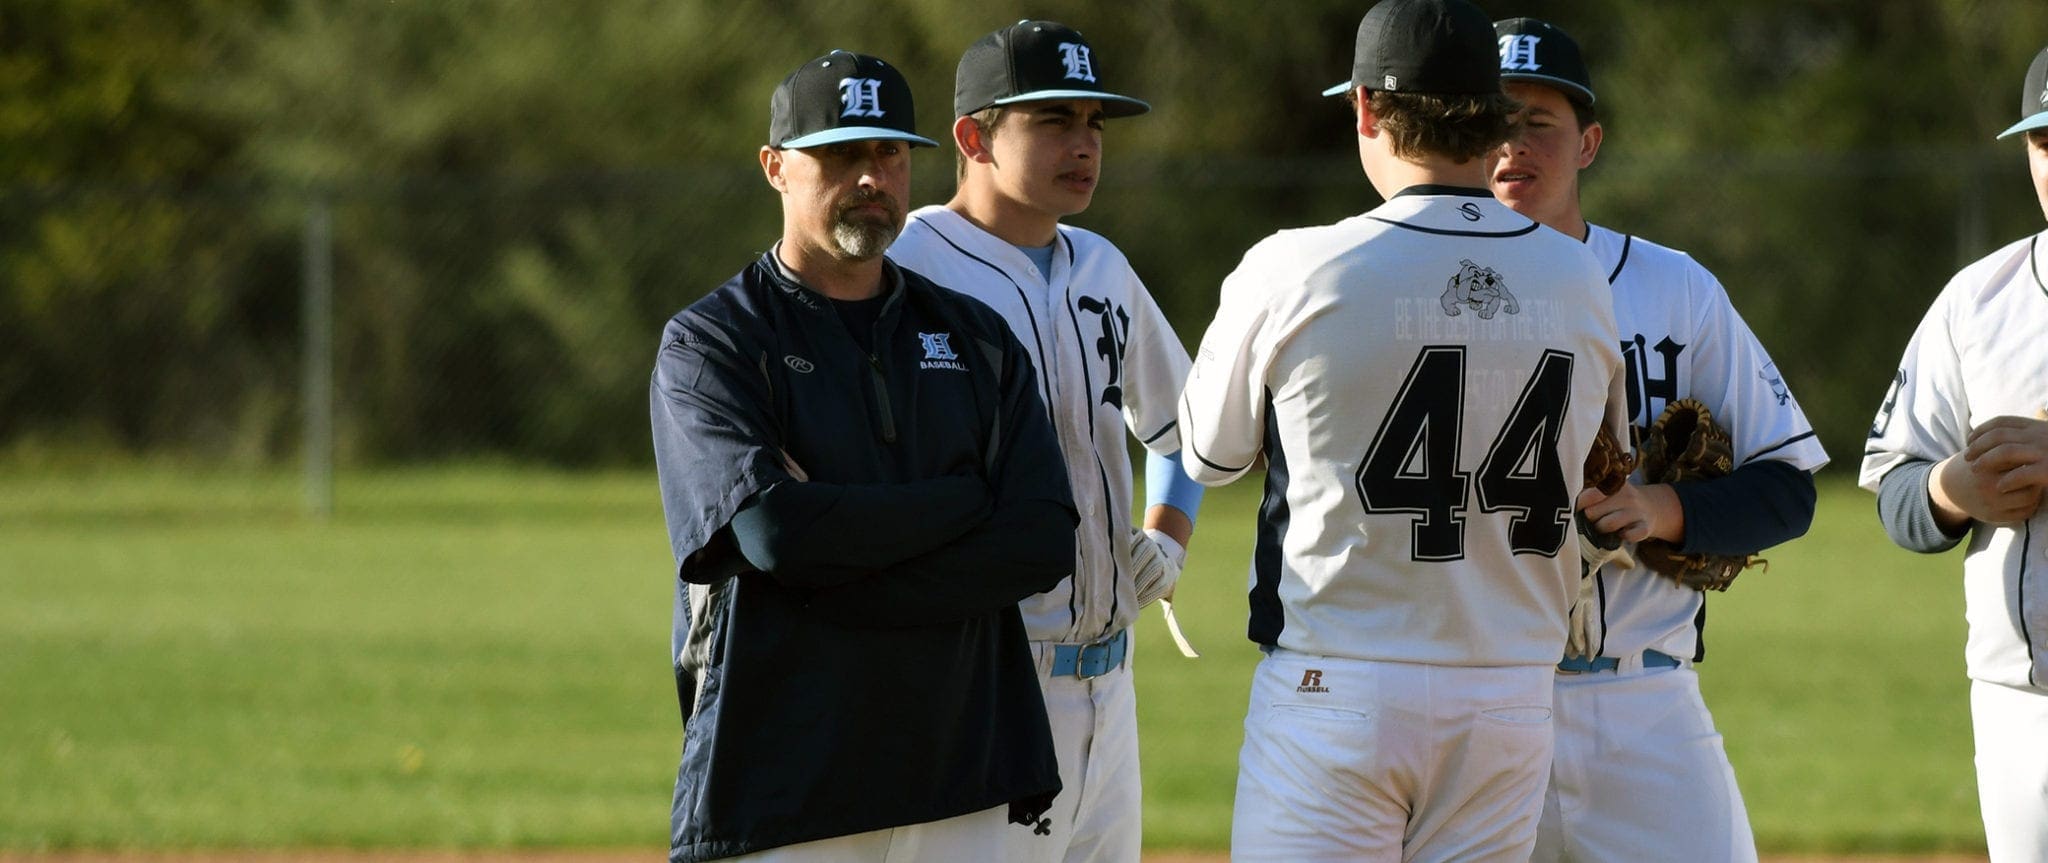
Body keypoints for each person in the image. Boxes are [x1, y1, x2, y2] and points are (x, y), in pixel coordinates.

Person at [1176, 1, 1628, 859]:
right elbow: (1602, 464)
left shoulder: (1294, 264)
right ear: (1495, 116)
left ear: (1366, 108)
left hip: (1339, 681)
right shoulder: (1579, 276)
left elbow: (1210, 453)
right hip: (1510, 690)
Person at [649, 50, 1079, 863]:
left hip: (963, 771)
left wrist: (828, 579)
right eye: (841, 154)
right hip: (782, 782)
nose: (872, 177)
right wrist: (963, 500)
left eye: (889, 153)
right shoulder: (714, 342)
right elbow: (777, 534)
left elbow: (1041, 540)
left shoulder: (977, 338)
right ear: (776, 167)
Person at [1483, 17, 1830, 863]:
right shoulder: (1426, 290)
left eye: (1539, 122)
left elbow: (1789, 484)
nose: (1512, 144)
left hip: (1645, 704)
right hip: (1481, 702)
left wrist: (1665, 508)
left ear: (1588, 143)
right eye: (1493, 120)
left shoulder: (1675, 289)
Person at [883, 20, 1203, 862]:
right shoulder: (906, 267)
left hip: (1113, 687)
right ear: (972, 138)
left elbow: (1188, 425)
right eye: (1053, 120)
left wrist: (1170, 535)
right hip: (982, 682)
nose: (1084, 143)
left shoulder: (1103, 266)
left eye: (1094, 122)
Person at [1861, 41, 2048, 863]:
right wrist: (1953, 488)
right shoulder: (1978, 301)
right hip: (2021, 703)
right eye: (2046, 143)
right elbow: (1896, 486)